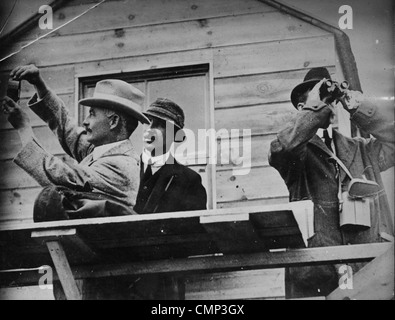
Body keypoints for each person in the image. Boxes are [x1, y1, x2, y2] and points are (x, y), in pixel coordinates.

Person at [269, 67, 394, 298]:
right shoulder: (296, 154)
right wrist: (315, 108)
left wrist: (357, 107)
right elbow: (282, 148)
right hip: (317, 274)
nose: (330, 107)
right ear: (302, 109)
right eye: (322, 101)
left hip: (369, 271)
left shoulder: (362, 149)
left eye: (332, 102)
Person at [1, 65, 149, 222]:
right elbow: (66, 129)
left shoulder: (120, 165)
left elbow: (60, 177)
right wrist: (39, 85)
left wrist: (23, 128)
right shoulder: (104, 153)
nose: (85, 122)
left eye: (92, 114)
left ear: (113, 121)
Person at [134, 97, 207, 214]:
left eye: (159, 125)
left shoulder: (189, 180)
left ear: (174, 134)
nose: (149, 130)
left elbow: (193, 228)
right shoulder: (125, 167)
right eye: (148, 122)